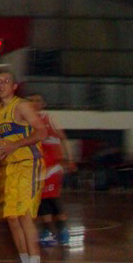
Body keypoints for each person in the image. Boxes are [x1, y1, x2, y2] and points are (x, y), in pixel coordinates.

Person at [0, 71, 47, 263]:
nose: (1, 85)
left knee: (25, 216)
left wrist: (16, 146)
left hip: (29, 164)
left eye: (6, 81)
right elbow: (3, 143)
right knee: (12, 218)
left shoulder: (22, 106)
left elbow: (41, 132)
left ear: (14, 87)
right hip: (11, 167)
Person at [27, 94, 75, 247]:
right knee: (41, 199)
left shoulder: (49, 119)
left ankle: (62, 230)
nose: (34, 103)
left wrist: (70, 158)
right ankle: (47, 231)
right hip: (37, 167)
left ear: (43, 104)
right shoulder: (26, 122)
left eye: (38, 101)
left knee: (52, 197)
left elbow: (63, 138)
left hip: (53, 166)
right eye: (31, 101)